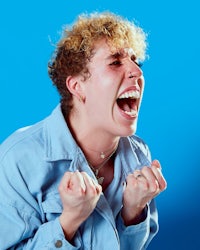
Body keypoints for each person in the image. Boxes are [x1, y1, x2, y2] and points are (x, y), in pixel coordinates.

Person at [0, 12, 167, 249]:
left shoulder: (138, 155)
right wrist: (70, 220)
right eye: (115, 62)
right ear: (77, 87)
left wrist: (133, 213)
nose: (137, 72)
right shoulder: (18, 160)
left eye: (135, 61)